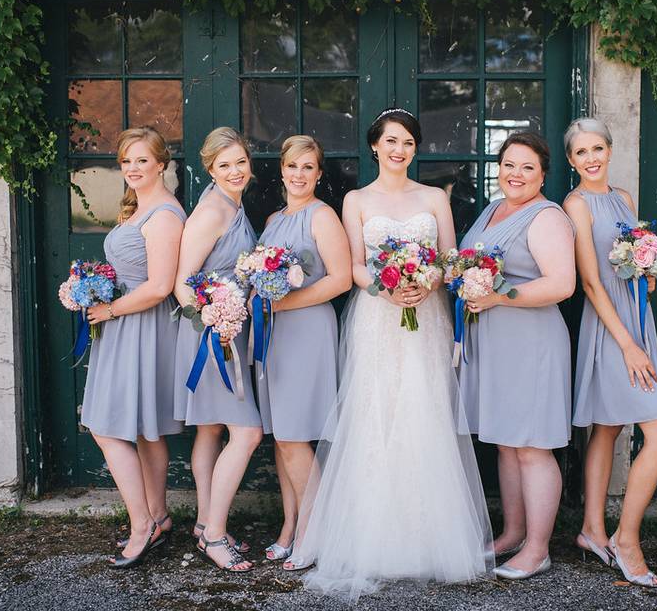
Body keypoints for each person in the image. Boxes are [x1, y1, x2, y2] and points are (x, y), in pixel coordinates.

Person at [286, 109, 493, 599]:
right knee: (376, 416)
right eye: (390, 141)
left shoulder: (433, 198)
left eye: (407, 142)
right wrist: (388, 285)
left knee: (423, 413)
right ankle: (373, 540)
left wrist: (425, 281)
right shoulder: (356, 199)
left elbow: (449, 257)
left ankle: (427, 540)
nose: (398, 150)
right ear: (375, 147)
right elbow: (355, 266)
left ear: (415, 149)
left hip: (427, 318)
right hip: (377, 317)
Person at [562, 117, 657, 588]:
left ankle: (593, 530)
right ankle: (625, 539)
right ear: (571, 160)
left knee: (608, 428)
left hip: (637, 317)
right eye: (580, 153)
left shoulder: (624, 198)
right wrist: (628, 345)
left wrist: (647, 272)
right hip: (612, 329)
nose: (590, 159)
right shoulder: (575, 204)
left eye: (597, 149)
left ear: (609, 150)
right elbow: (591, 282)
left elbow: (628, 257)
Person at [456, 132, 576, 580]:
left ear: (543, 173)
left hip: (531, 343)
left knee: (532, 448)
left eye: (527, 167)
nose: (516, 174)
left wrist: (497, 297)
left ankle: (538, 549)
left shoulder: (546, 217)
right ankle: (512, 533)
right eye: (509, 164)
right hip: (495, 341)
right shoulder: (493, 209)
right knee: (507, 444)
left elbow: (561, 284)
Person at [80, 126, 186, 568]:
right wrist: (91, 288)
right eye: (126, 161)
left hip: (140, 324)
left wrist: (109, 309)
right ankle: (159, 516)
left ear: (161, 163)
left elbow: (160, 286)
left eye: (142, 160)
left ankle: (140, 523)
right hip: (126, 322)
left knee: (107, 429)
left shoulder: (163, 214)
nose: (133, 168)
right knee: (146, 429)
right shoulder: (139, 206)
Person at [254, 135, 353, 566]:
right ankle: (289, 526)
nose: (299, 174)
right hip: (275, 333)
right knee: (282, 437)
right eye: (293, 166)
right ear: (282, 169)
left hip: (308, 329)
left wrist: (283, 303)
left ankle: (313, 534)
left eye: (308, 167)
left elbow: (341, 279)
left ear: (318, 173)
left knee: (295, 436)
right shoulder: (274, 218)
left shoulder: (323, 216)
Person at [173, 127, 261, 573]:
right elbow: (182, 284)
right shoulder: (211, 211)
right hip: (211, 335)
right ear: (210, 169)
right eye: (224, 165)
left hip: (228, 329)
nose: (234, 171)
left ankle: (207, 522)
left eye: (240, 162)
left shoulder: (234, 204)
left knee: (210, 429)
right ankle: (212, 535)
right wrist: (213, 323)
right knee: (246, 433)